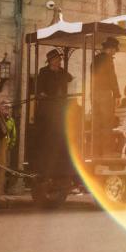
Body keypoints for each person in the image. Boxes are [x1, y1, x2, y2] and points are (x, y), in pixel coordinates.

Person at [33, 49, 73, 178]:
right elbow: (40, 90)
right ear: (50, 61)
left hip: (59, 108)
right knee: (47, 132)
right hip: (48, 108)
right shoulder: (43, 72)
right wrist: (43, 95)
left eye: (60, 59)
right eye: (56, 59)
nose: (59, 61)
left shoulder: (62, 72)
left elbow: (70, 78)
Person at [90, 37, 121, 157]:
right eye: (114, 50)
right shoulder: (108, 60)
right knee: (107, 123)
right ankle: (107, 152)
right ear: (111, 49)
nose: (114, 53)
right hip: (105, 94)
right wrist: (117, 94)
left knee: (96, 124)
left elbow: (92, 79)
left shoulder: (95, 59)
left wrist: (91, 95)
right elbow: (112, 77)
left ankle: (96, 153)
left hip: (95, 94)